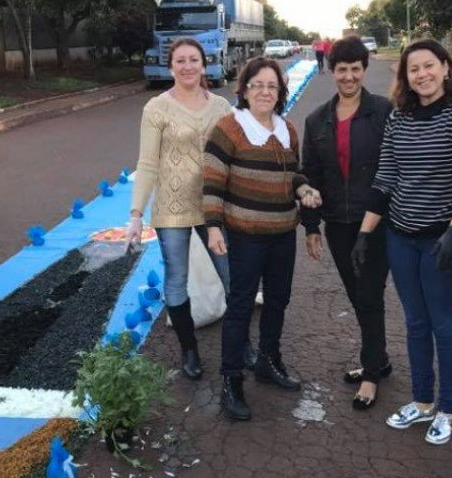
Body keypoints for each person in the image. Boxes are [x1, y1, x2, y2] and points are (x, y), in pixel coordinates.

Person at [353, 39, 452, 445]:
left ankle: (446, 409)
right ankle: (422, 401)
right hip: (401, 236)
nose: (422, 75)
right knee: (415, 322)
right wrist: (365, 232)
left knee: (444, 324)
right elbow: (386, 177)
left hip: (444, 238)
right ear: (405, 77)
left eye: (429, 66)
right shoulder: (399, 117)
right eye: (413, 69)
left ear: (446, 68)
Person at [204, 56, 321, 421]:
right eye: (258, 85)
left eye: (272, 86)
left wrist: (304, 192)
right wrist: (211, 226)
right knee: (240, 306)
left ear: (280, 92)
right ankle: (231, 380)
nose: (265, 92)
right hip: (246, 235)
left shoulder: (287, 129)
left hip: (282, 233)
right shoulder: (229, 128)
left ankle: (268, 361)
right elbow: (211, 182)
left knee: (278, 300)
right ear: (245, 89)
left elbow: (294, 176)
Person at [126, 37, 232, 380]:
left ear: (204, 64)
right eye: (180, 61)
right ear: (170, 66)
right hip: (172, 209)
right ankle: (189, 351)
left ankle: (240, 343)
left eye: (193, 60)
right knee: (176, 279)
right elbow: (148, 163)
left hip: (214, 207)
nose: (187, 66)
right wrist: (135, 214)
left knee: (232, 274)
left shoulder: (221, 107)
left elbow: (234, 155)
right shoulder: (156, 108)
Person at [302, 35, 392, 410]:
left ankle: (371, 373)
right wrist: (310, 225)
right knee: (358, 297)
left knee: (369, 295)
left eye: (356, 69)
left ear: (364, 70)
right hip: (338, 223)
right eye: (343, 69)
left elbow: (392, 168)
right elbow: (310, 175)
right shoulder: (317, 119)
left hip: (376, 222)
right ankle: (379, 359)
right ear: (332, 71)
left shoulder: (384, 112)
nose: (350, 77)